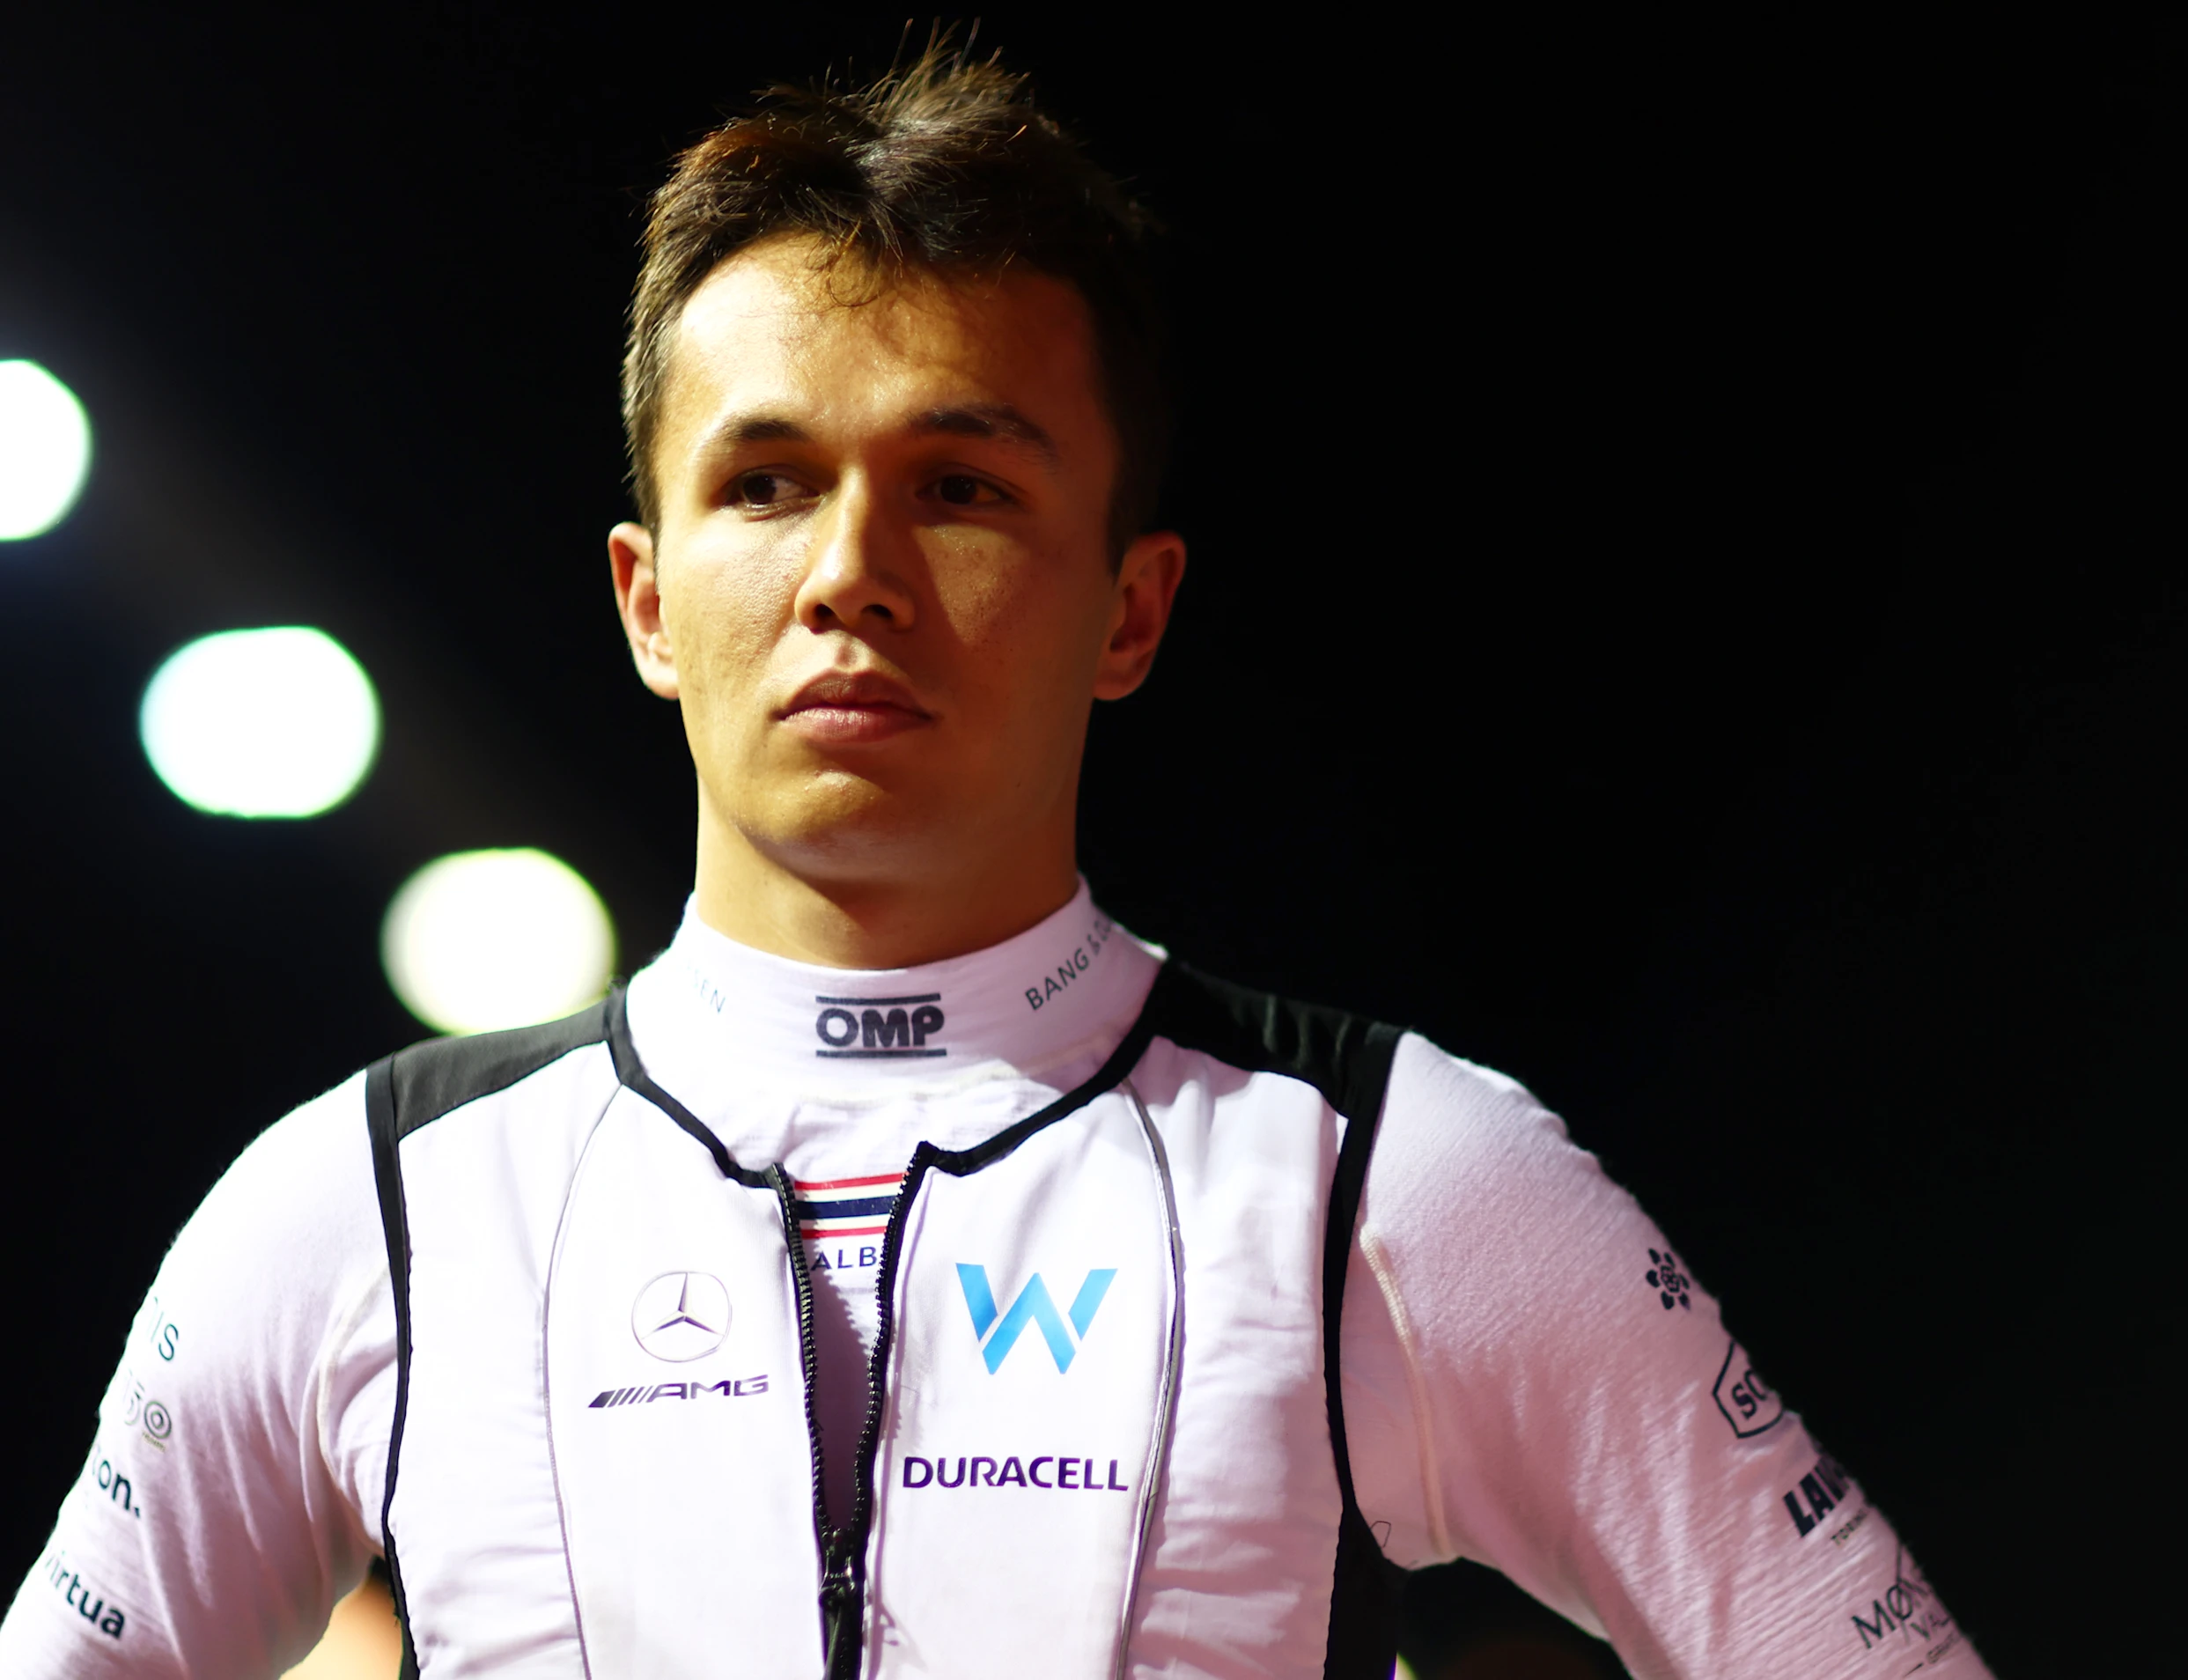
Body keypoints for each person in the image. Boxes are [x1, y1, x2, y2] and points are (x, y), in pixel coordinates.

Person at [0, 47, 1985, 1680]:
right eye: (765, 483)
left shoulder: (1385, 1176)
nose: (850, 575)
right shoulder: (362, 1206)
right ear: (646, 598)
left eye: (957, 486)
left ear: (1133, 608)